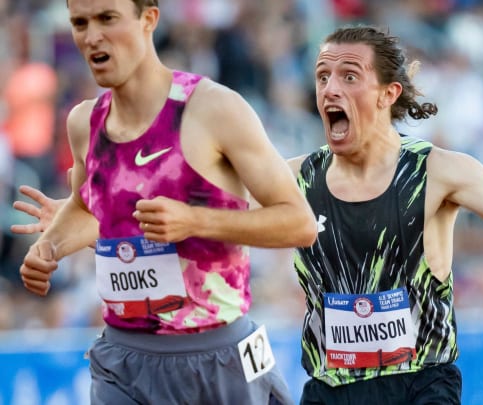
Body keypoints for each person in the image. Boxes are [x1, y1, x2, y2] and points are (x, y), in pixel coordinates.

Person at [13, 25, 483, 404]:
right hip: (330, 389)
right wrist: (90, 215)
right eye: (323, 74)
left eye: (349, 76)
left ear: (387, 93)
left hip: (421, 386)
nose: (330, 87)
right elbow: (195, 224)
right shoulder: (297, 179)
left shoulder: (439, 171)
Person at [14, 0, 317, 404]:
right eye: (80, 23)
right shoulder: (83, 123)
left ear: (149, 19)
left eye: (107, 19)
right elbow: (87, 208)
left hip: (216, 356)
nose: (92, 36)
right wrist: (50, 246)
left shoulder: (212, 108)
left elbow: (300, 223)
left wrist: (195, 221)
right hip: (123, 360)